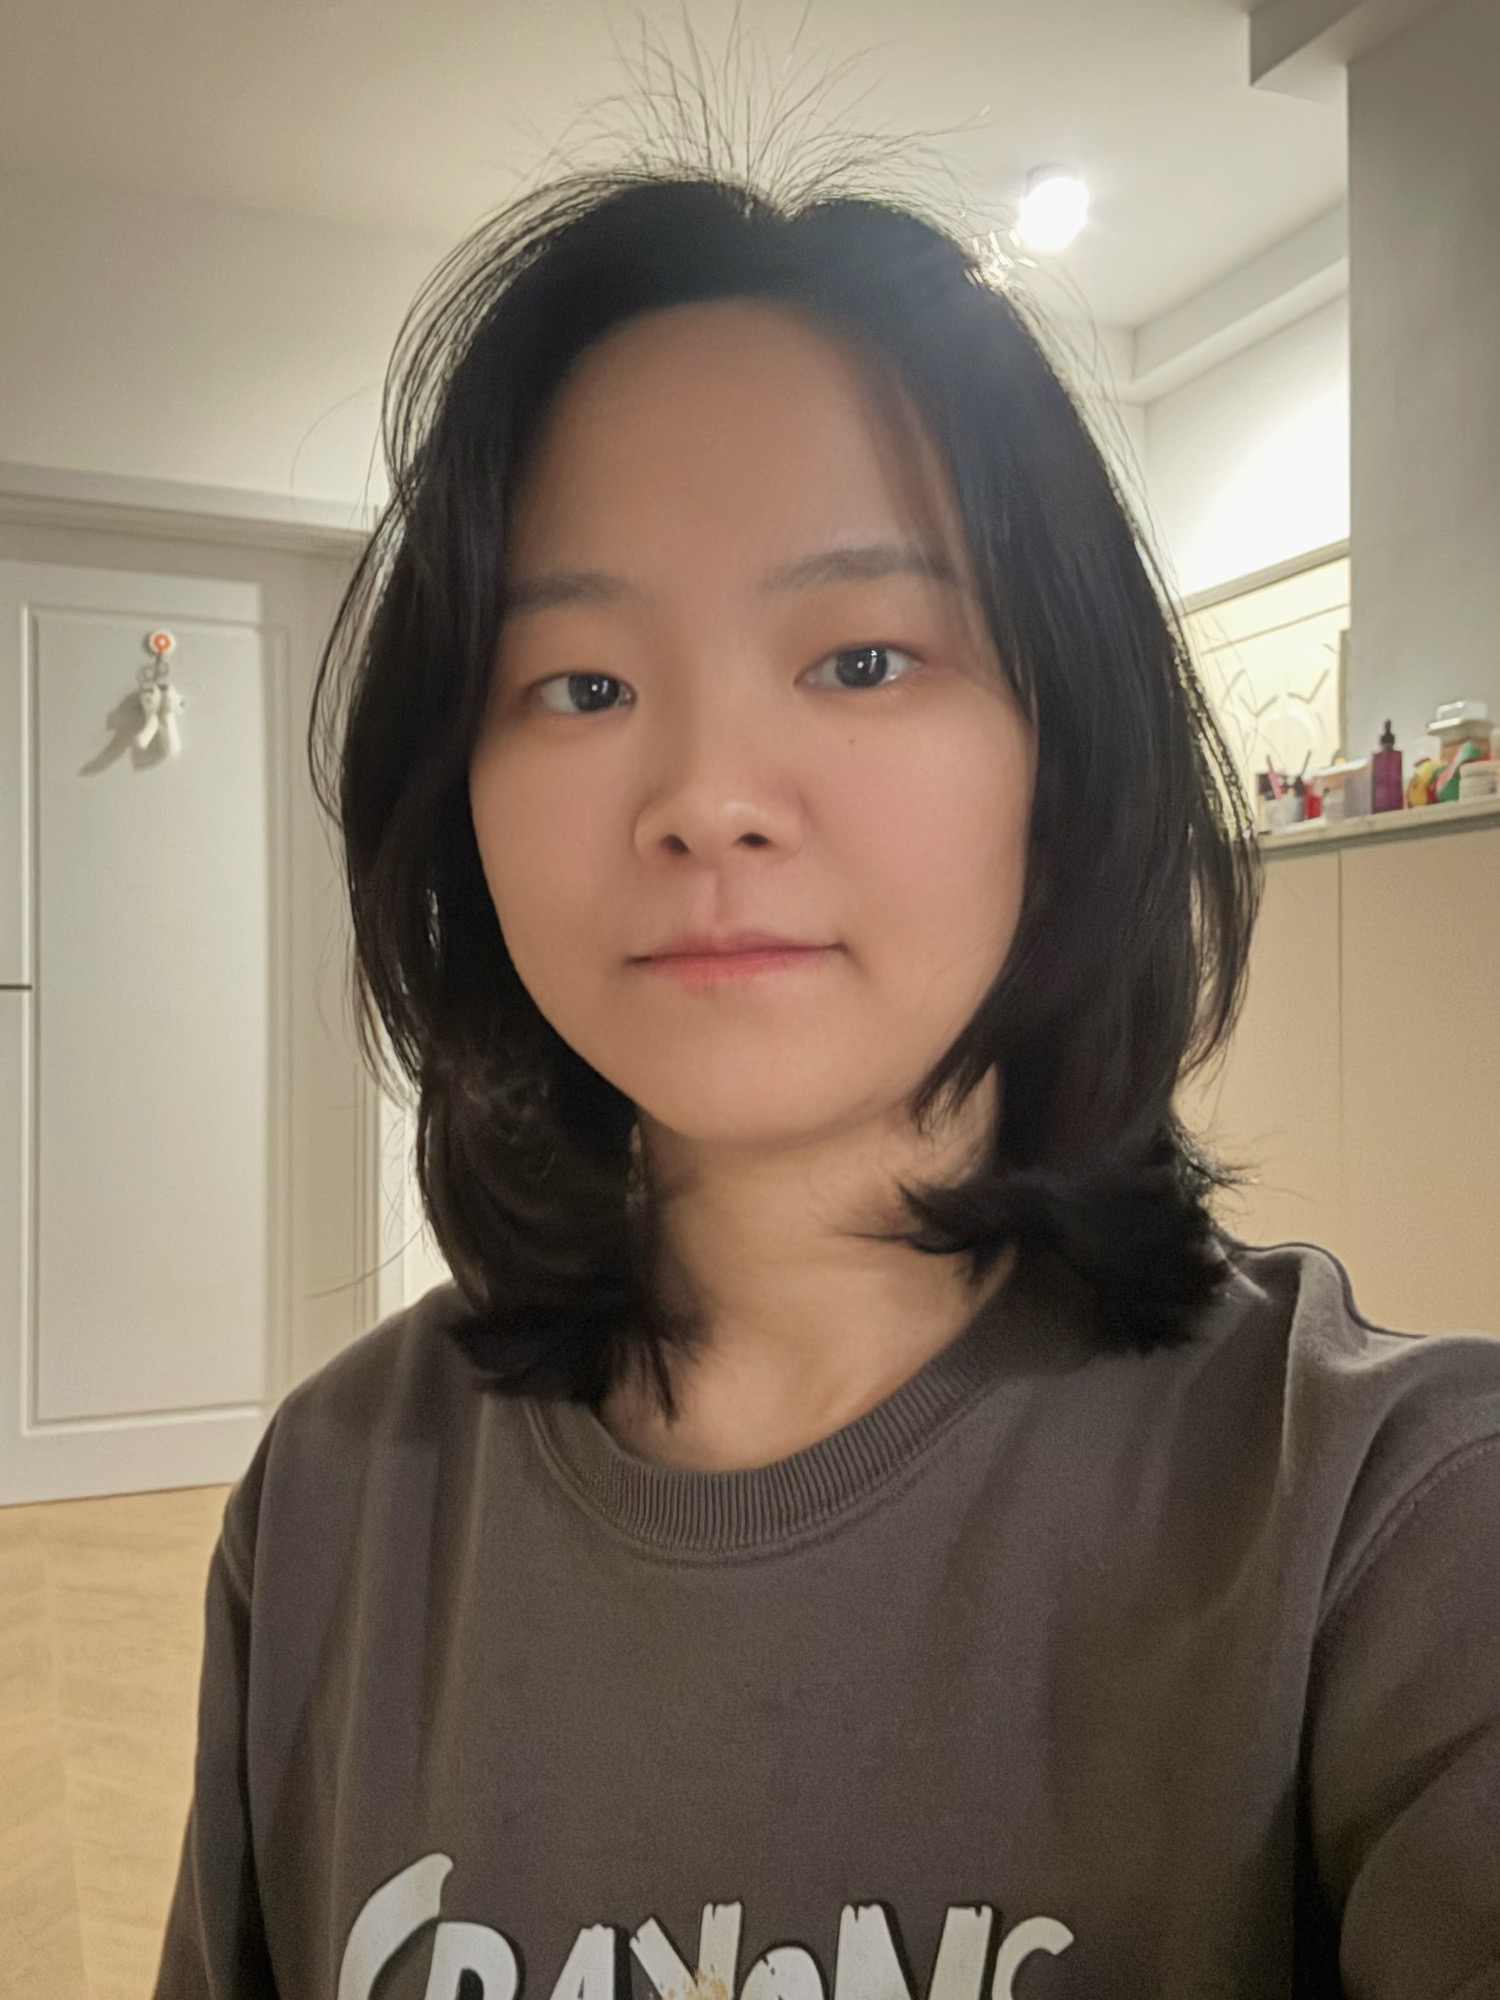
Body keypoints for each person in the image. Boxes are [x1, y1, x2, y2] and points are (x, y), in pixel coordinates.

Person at [154, 164, 1500, 2000]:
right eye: (579, 684)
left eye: (862, 658)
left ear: (1064, 749)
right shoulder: (330, 1502)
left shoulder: (1390, 1524)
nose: (708, 795)